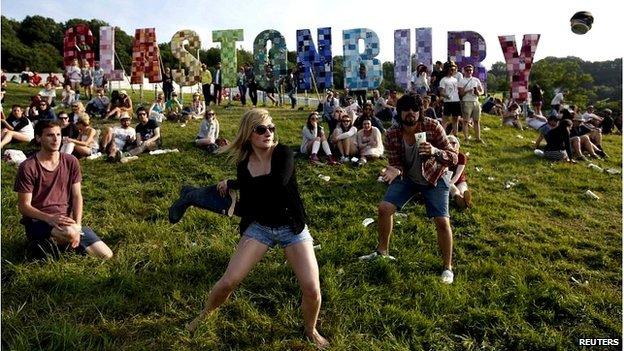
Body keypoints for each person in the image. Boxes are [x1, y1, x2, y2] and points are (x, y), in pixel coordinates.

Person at [187, 109, 329, 349]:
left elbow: (276, 184)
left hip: (291, 227)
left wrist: (235, 184)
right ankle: (204, 315)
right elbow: (253, 200)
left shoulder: (283, 153)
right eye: (261, 129)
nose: (268, 133)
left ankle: (310, 329)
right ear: (249, 134)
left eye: (271, 128)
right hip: (260, 227)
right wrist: (222, 200)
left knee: (312, 288)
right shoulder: (245, 164)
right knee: (228, 281)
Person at [359, 94, 458, 285]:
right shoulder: (392, 134)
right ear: (400, 113)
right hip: (408, 178)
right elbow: (396, 162)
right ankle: (382, 252)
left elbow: (454, 157)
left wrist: (435, 152)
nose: (411, 114)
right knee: (384, 208)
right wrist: (395, 170)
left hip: (434, 177)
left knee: (442, 221)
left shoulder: (432, 126)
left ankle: (447, 267)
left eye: (415, 109)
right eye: (406, 110)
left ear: (420, 111)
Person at [13, 120, 113, 259]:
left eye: (58, 134)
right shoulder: (28, 166)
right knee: (69, 233)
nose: (56, 139)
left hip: (67, 221)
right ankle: (44, 244)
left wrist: (78, 225)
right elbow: (24, 207)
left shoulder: (71, 161)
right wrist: (50, 218)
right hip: (38, 220)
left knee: (106, 255)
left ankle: (51, 247)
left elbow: (77, 196)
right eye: (50, 135)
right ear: (38, 138)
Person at [458, 64, 484, 142]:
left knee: (476, 121)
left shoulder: (476, 80)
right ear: (464, 71)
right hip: (466, 101)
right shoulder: (462, 81)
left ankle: (478, 138)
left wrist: (478, 92)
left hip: (476, 101)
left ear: (472, 71)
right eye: (467, 70)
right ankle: (466, 138)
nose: (469, 72)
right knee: (466, 121)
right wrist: (468, 91)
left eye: (470, 70)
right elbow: (460, 94)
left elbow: (482, 91)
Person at [446, 135, 472, 209]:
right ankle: (461, 200)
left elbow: (458, 173)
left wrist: (451, 183)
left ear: (458, 145)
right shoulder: (443, 155)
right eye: (449, 143)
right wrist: (450, 183)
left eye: (454, 143)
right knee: (455, 191)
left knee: (463, 189)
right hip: (448, 179)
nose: (452, 145)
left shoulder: (461, 156)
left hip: (459, 179)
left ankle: (465, 198)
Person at [438, 62, 462, 136]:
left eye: (454, 69)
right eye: (451, 69)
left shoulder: (455, 79)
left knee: (455, 119)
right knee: (445, 119)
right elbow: (441, 92)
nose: (453, 71)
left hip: (456, 101)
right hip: (448, 102)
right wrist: (447, 96)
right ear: (448, 70)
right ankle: (443, 135)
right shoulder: (443, 80)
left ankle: (455, 135)